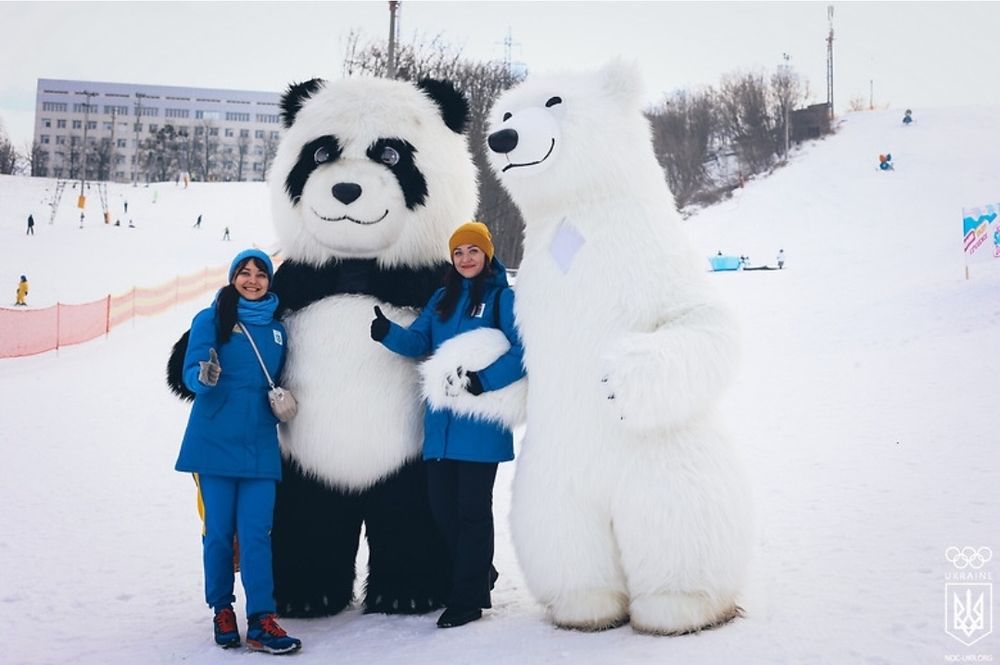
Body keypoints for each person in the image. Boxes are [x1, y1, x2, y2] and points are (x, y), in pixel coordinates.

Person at [370, 221, 525, 629]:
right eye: (459, 253)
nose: (466, 258)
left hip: (479, 424)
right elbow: (419, 343)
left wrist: (484, 379)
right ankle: (478, 575)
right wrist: (388, 333)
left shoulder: (502, 299)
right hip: (440, 427)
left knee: (472, 512)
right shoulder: (442, 298)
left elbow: (520, 352)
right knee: (442, 511)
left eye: (473, 251)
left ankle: (467, 599)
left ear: (486, 255)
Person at [174, 248, 302, 654]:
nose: (252, 280)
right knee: (219, 535)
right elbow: (191, 369)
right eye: (243, 273)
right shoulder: (211, 318)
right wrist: (203, 375)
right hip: (213, 443)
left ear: (269, 281)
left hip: (260, 444)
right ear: (233, 278)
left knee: (257, 535)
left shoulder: (279, 329)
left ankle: (262, 619)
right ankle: (222, 609)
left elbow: (282, 375)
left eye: (260, 274)